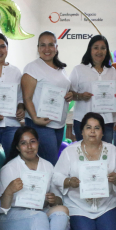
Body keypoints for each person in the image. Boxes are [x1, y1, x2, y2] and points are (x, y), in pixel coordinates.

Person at [0, 127, 78, 230]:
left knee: (62, 211)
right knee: (38, 215)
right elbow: (1, 209)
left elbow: (58, 199)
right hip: (11, 219)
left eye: (32, 142)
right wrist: (9, 191)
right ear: (17, 147)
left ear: (38, 143)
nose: (29, 147)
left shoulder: (47, 166)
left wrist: (53, 199)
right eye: (23, 143)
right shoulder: (9, 168)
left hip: (37, 215)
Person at [53, 113, 116, 230]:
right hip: (78, 204)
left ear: (103, 132)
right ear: (81, 131)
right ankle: (78, 221)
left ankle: (100, 220)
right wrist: (68, 181)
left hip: (105, 204)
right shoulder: (69, 151)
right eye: (88, 127)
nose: (92, 131)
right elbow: (56, 176)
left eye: (97, 128)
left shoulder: (113, 150)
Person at [21, 31, 73, 165]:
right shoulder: (32, 67)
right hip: (41, 123)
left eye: (51, 45)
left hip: (58, 124)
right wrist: (35, 119)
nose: (47, 49)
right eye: (42, 45)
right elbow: (27, 98)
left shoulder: (61, 68)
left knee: (48, 163)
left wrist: (70, 94)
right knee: (51, 163)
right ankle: (48, 187)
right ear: (38, 48)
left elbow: (64, 88)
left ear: (56, 47)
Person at [69, 35, 116, 144]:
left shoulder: (112, 71)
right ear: (90, 50)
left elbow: (115, 94)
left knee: (105, 155)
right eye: (96, 47)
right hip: (83, 121)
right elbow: (69, 93)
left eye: (103, 48)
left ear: (107, 51)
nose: (99, 51)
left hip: (106, 121)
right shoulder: (79, 69)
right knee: (84, 154)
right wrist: (80, 96)